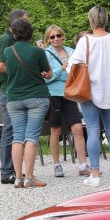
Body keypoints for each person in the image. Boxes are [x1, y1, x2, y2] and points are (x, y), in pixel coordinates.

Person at [67, 6, 110, 186]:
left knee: (93, 131)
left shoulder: (85, 41)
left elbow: (72, 67)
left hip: (88, 92)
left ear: (90, 20)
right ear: (106, 20)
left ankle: (95, 174)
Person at [1, 15, 51, 188]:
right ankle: (29, 178)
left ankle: (18, 178)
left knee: (17, 138)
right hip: (36, 97)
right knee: (31, 137)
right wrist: (43, 73)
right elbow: (48, 73)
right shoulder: (38, 51)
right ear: (30, 33)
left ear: (14, 33)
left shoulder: (8, 52)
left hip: (14, 99)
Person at [43, 25, 86, 178]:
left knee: (78, 128)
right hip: (54, 95)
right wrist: (60, 70)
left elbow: (78, 71)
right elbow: (45, 78)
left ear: (63, 36)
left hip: (70, 93)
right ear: (48, 39)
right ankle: (56, 165)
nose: (56, 39)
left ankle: (83, 165)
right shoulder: (46, 54)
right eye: (52, 37)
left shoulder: (72, 51)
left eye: (59, 35)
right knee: (55, 130)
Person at [0, 9, 30, 184]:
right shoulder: (5, 39)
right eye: (26, 21)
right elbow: (0, 66)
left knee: (17, 131)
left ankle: (15, 170)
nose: (29, 24)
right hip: (8, 91)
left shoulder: (16, 39)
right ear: (16, 22)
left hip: (17, 91)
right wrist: (21, 70)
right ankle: (7, 172)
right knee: (9, 131)